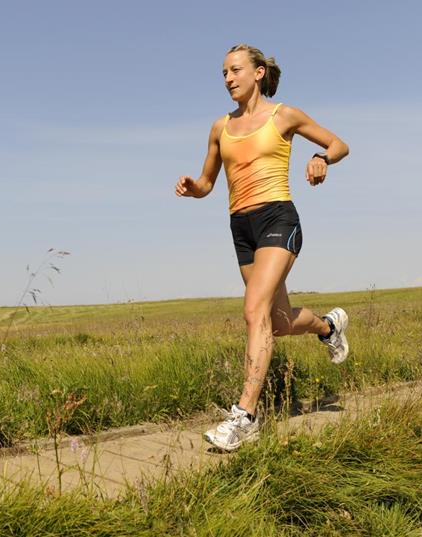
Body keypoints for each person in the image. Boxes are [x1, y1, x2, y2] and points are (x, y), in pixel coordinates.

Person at [175, 44, 350, 451]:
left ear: (257, 73)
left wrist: (321, 158)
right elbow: (207, 182)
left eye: (235, 70)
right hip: (242, 227)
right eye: (223, 73)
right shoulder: (220, 127)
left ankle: (245, 417)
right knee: (278, 320)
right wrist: (192, 188)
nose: (228, 79)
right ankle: (328, 327)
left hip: (278, 219)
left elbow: (339, 144)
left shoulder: (282, 115)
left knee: (254, 312)